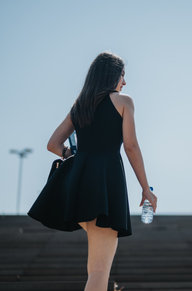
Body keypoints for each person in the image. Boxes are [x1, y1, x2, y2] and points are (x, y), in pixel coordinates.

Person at [28, 51, 157, 291]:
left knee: (94, 270)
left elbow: (53, 145)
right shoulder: (123, 102)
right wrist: (145, 188)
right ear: (112, 76)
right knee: (99, 271)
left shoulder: (80, 106)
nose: (125, 82)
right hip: (105, 187)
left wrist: (74, 156)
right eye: (122, 76)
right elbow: (131, 146)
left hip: (78, 186)